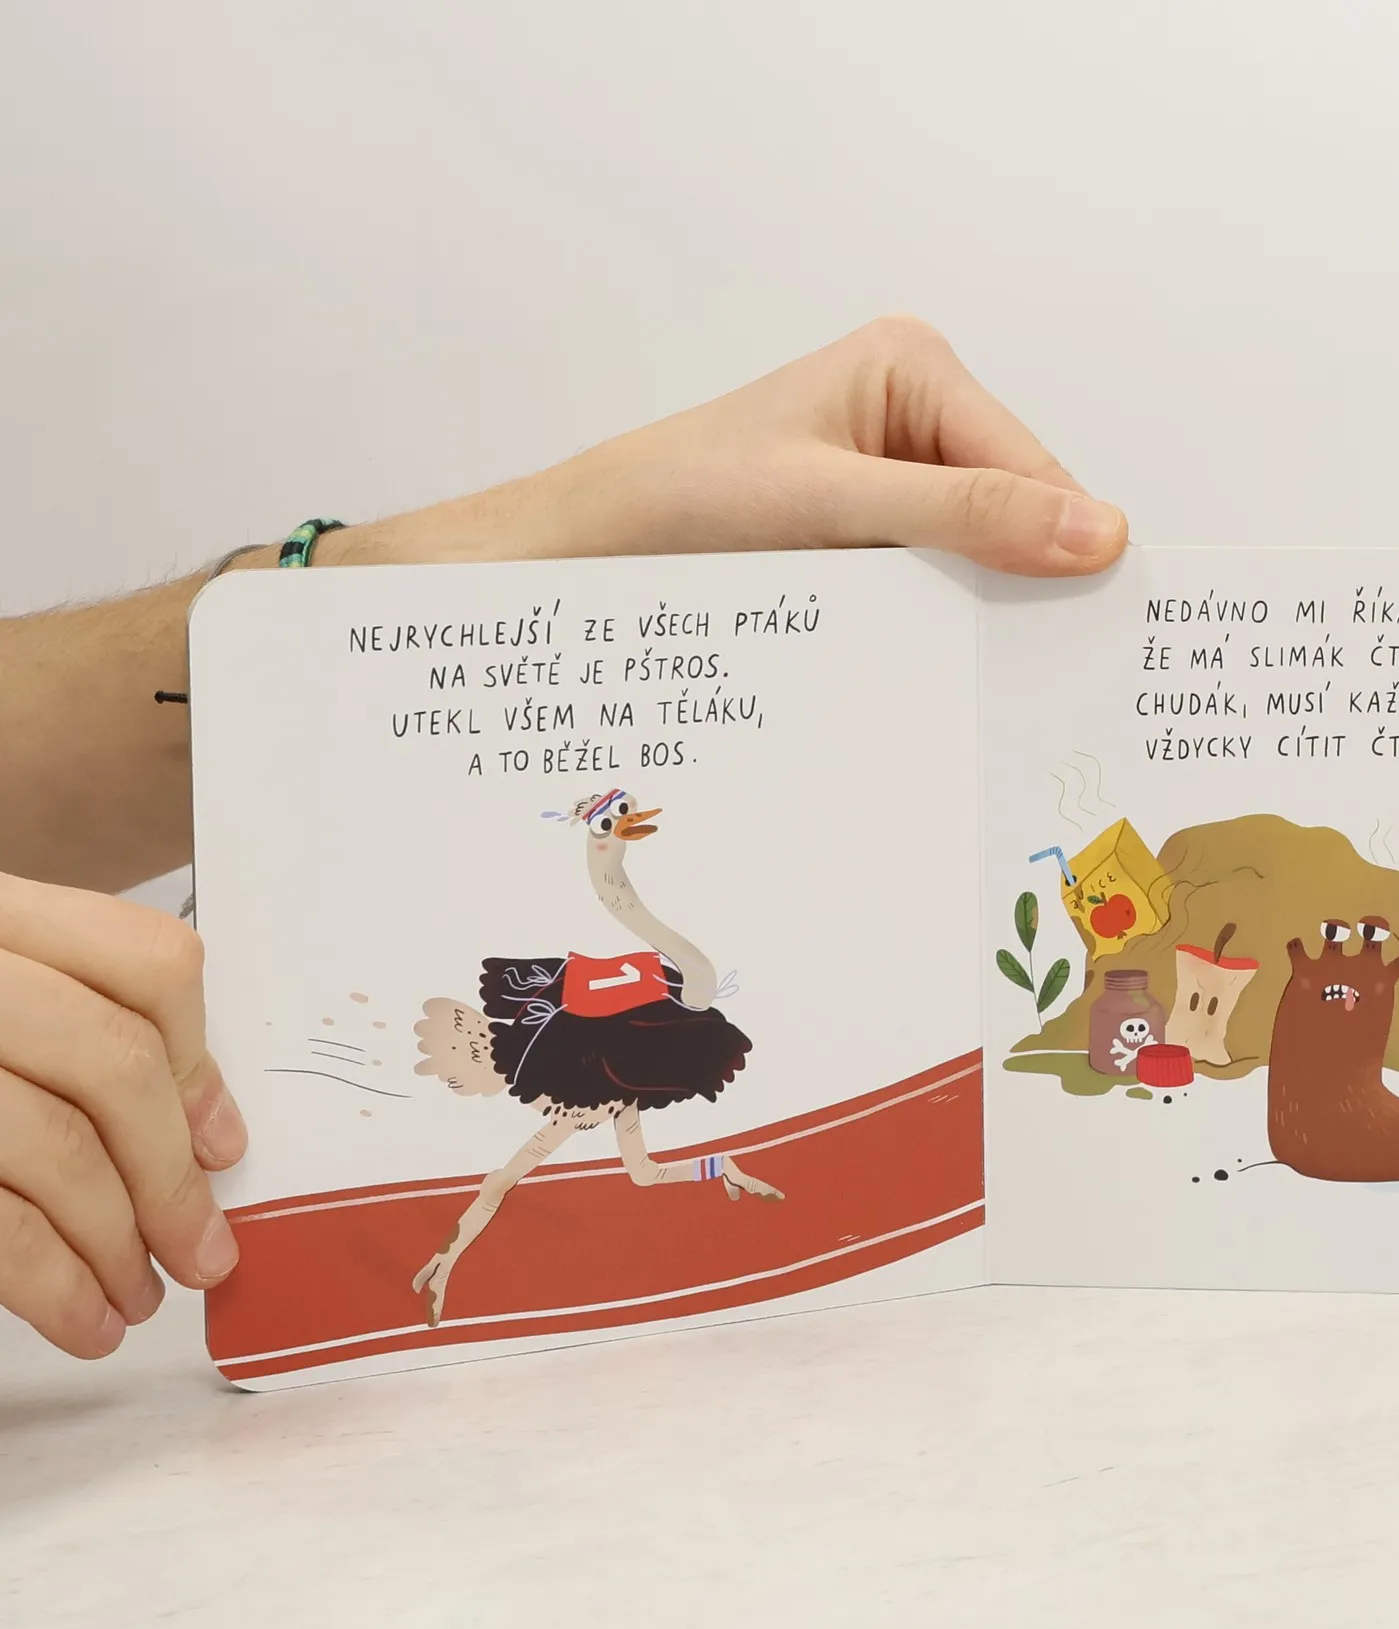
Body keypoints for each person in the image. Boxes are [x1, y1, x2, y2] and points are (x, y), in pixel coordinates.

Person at [0, 316, 1129, 1360]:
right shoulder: (602, 1066)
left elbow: (612, 1161)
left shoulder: (633, 1042)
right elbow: (546, 1157)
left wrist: (385, 608)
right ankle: (470, 1249)